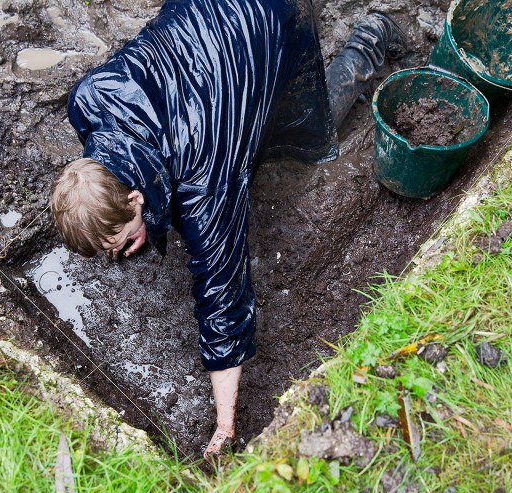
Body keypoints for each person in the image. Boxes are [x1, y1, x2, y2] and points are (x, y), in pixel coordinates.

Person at [49, 0, 403, 457]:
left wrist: (225, 424)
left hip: (270, 18)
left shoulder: (202, 188)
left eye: (115, 239)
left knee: (305, 128)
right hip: (202, 17)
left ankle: (371, 39)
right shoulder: (89, 99)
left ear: (134, 197)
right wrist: (139, 221)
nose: (116, 249)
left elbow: (223, 297)